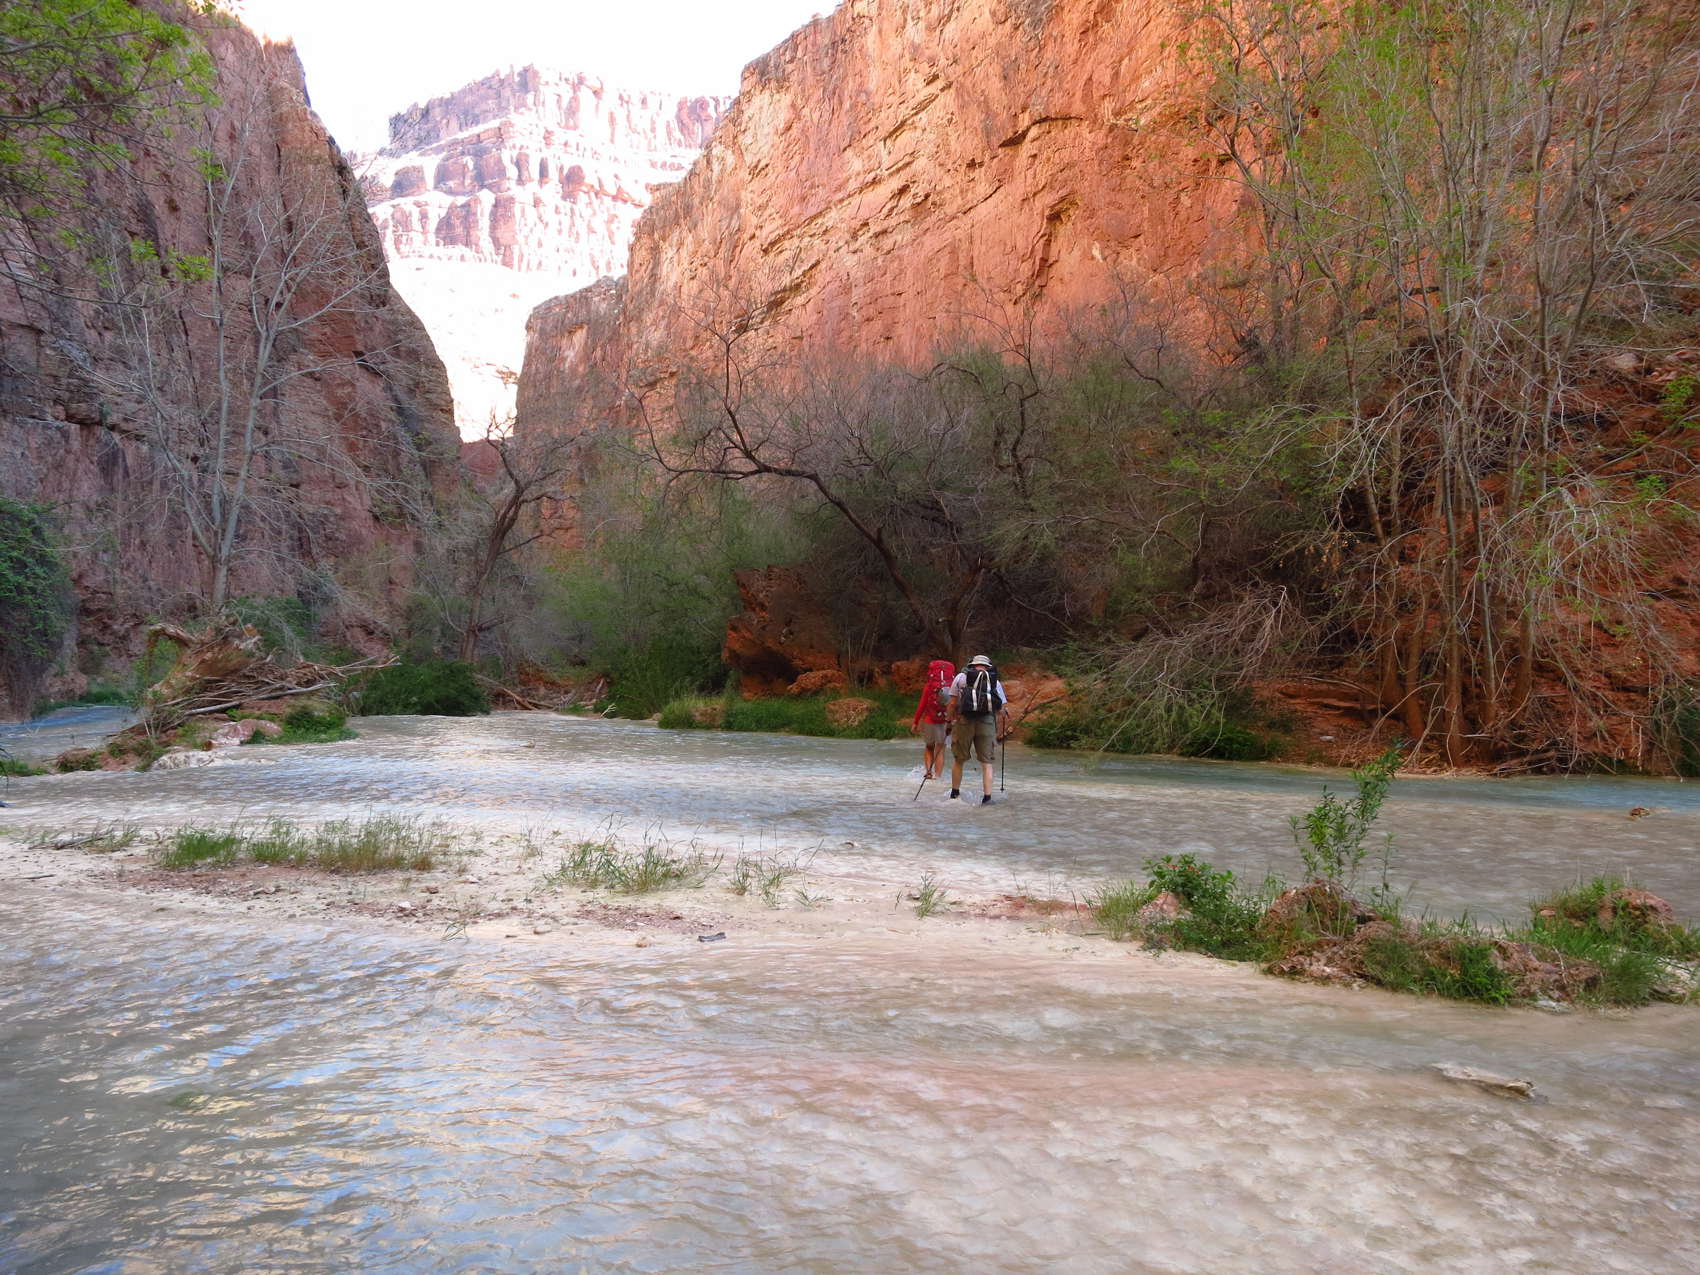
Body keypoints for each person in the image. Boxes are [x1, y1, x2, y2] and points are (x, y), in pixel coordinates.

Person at [946, 654, 1011, 804]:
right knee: (986, 762)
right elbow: (1001, 709)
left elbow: (952, 703)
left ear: (971, 665)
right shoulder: (994, 681)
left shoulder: (961, 678)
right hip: (986, 722)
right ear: (988, 666)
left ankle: (955, 795)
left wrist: (949, 722)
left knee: (959, 759)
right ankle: (987, 798)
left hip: (964, 721)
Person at [909, 659, 955, 780]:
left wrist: (915, 722)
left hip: (930, 720)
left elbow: (922, 705)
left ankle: (928, 772)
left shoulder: (929, 686)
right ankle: (937, 776)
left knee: (929, 747)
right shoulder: (952, 687)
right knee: (940, 750)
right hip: (945, 721)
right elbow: (954, 704)